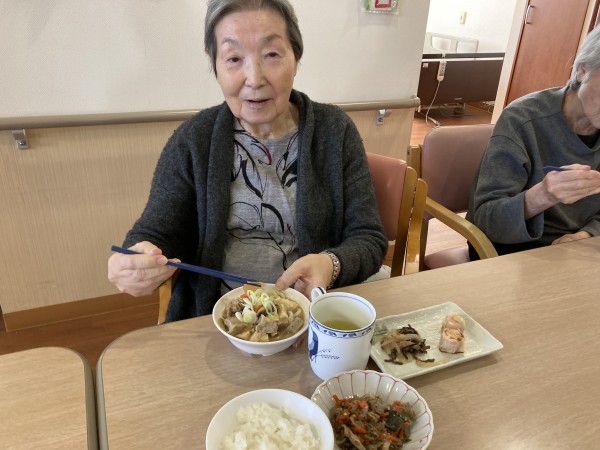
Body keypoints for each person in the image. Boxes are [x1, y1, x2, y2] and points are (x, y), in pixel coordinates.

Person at [107, 0, 387, 322]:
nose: (254, 79)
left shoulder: (335, 131)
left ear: (295, 58)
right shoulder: (193, 140)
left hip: (314, 319)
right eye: (234, 59)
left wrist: (331, 264)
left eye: (271, 54)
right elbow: (157, 232)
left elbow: (369, 237)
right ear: (216, 67)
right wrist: (137, 259)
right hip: (219, 321)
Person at [466, 25, 600, 258]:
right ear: (582, 70)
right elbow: (487, 219)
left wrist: (585, 235)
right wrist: (542, 195)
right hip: (509, 250)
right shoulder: (521, 120)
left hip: (575, 250)